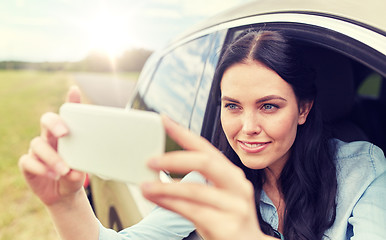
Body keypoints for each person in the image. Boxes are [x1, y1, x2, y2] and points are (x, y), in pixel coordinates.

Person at [19, 30, 386, 240]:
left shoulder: (363, 170)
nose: (247, 128)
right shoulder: (210, 182)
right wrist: (63, 204)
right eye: (232, 106)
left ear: (303, 109)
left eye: (269, 106)